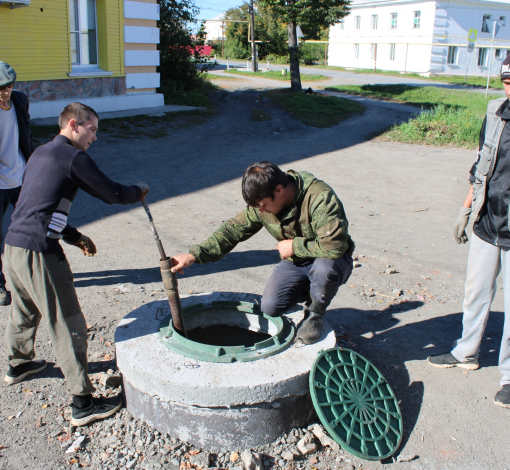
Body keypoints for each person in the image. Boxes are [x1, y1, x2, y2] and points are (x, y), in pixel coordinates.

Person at [3, 102, 149, 426]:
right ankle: (82, 403)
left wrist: (73, 235)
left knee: (24, 311)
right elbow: (110, 192)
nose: (94, 137)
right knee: (68, 322)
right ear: (73, 125)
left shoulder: (41, 153)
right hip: (39, 252)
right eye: (92, 129)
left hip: (13, 247)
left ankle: (19, 364)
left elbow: (37, 205)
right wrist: (136, 191)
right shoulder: (72, 156)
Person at [171, 161, 355, 345]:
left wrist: (294, 247)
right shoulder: (263, 201)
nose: (261, 210)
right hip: (298, 261)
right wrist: (195, 255)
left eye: (263, 204)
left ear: (279, 189)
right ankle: (313, 288)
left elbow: (334, 246)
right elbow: (233, 230)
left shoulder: (319, 197)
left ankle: (314, 315)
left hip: (332, 259)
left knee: (323, 270)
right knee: (270, 306)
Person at [427, 55, 510, 409]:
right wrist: (466, 209)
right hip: (487, 221)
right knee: (475, 291)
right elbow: (481, 165)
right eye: (507, 81)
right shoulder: (496, 112)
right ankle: (466, 353)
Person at [0, 62, 34, 306]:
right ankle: (0, 285)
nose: (5, 92)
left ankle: (35, 276)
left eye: (8, 86)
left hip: (21, 177)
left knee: (32, 227)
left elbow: (26, 134)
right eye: (0, 88)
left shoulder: (20, 100)